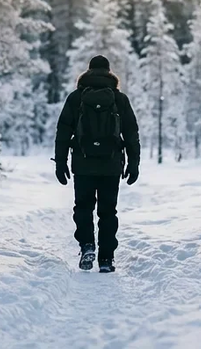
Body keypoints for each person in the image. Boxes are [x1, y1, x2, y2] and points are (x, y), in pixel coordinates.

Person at [54, 55, 141, 272]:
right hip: (111, 165)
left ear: (88, 71)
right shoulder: (120, 99)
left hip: (83, 164)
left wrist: (61, 162)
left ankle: (87, 246)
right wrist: (134, 163)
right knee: (108, 211)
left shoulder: (76, 98)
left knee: (83, 207)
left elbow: (63, 131)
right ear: (109, 73)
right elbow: (131, 133)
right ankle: (106, 259)